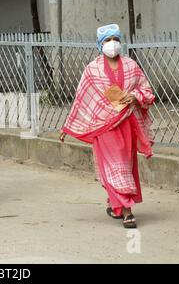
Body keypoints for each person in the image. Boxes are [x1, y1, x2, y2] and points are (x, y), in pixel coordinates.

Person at [59, 24, 155, 229]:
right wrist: (67, 126)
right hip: (104, 127)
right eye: (107, 40)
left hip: (127, 124)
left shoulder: (131, 66)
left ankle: (115, 203)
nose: (112, 44)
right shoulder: (92, 70)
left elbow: (146, 90)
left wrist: (135, 96)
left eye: (115, 39)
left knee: (125, 165)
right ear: (100, 45)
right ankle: (128, 211)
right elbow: (81, 99)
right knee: (115, 165)